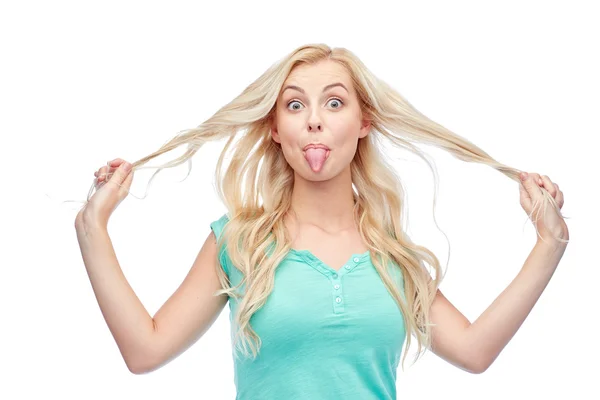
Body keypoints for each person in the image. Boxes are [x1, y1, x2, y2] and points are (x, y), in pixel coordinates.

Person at [74, 43, 569, 399]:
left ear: (363, 123)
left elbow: (474, 352)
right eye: (295, 104)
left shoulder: (391, 252)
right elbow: (145, 351)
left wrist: (549, 244)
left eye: (334, 103)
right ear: (275, 128)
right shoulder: (240, 242)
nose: (314, 119)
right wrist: (92, 230)